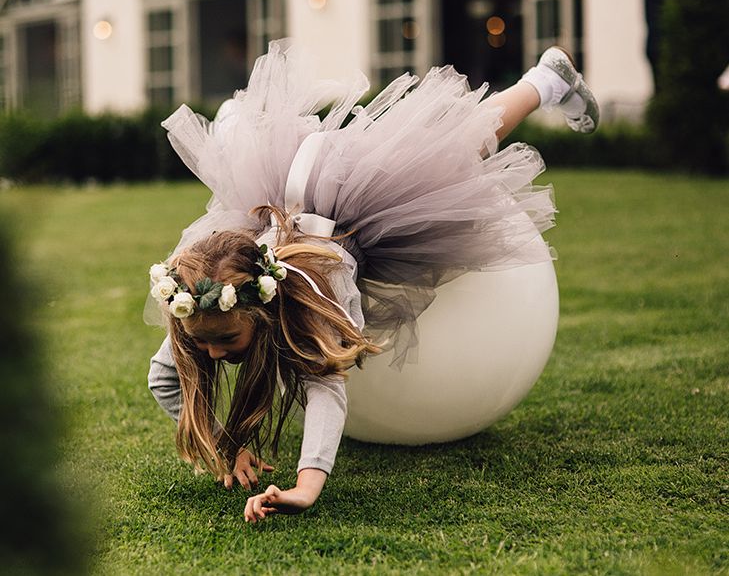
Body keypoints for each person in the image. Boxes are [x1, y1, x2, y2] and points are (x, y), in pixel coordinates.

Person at [146, 41, 599, 524]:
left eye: (226, 341)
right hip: (293, 201)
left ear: (261, 309)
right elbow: (164, 378)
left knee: (458, 150)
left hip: (358, 208)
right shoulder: (202, 308)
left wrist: (307, 484)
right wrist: (225, 444)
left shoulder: (315, 292)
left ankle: (546, 80)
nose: (213, 354)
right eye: (207, 344)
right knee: (451, 149)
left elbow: (326, 387)